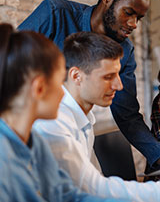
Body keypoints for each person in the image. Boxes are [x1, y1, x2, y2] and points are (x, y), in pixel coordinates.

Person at [33, 31, 160, 201]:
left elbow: (96, 187)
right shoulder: (54, 123)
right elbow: (94, 188)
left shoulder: (82, 119)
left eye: (118, 75)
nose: (119, 86)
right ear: (76, 76)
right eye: (108, 77)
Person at [18, 0, 160, 167]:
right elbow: (9, 64)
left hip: (77, 135)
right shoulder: (55, 14)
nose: (133, 24)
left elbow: (127, 113)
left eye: (139, 18)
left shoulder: (125, 50)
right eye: (128, 13)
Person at [0, 23, 125, 202]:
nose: (63, 91)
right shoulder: (4, 161)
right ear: (39, 87)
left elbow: (68, 195)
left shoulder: (35, 144)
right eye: (59, 81)